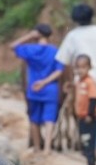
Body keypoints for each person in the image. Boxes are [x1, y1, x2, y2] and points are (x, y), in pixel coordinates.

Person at [33, 3, 96, 162]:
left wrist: (69, 81)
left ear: (75, 19)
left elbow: (63, 61)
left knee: (85, 114)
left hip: (82, 84)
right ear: (92, 16)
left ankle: (94, 147)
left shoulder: (72, 36)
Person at [9, 23, 63, 157]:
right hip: (50, 89)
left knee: (34, 119)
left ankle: (38, 147)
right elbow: (59, 71)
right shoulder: (55, 51)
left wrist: (29, 36)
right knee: (49, 119)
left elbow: (13, 46)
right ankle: (48, 148)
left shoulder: (30, 50)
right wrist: (45, 82)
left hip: (34, 89)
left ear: (37, 34)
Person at [72, 53, 96, 165]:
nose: (80, 70)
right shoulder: (78, 82)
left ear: (89, 67)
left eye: (83, 67)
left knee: (89, 141)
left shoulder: (90, 82)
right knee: (84, 141)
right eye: (78, 67)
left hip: (89, 117)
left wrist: (90, 115)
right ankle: (89, 163)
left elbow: (93, 99)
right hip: (81, 117)